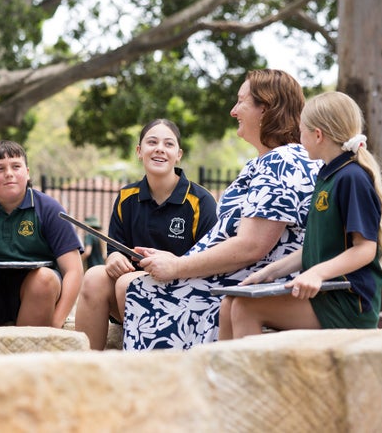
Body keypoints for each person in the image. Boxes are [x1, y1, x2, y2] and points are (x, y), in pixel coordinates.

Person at [123, 69, 321, 350]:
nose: (233, 111)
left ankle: (162, 388)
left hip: (250, 283)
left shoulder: (282, 162)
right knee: (117, 282)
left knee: (130, 289)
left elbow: (253, 246)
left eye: (241, 102)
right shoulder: (269, 160)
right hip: (232, 277)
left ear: (265, 109)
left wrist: (178, 266)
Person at [218, 92, 382, 339]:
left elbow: (365, 249)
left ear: (318, 135)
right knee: (229, 304)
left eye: (301, 132)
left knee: (245, 308)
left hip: (348, 302)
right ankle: (222, 378)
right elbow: (314, 248)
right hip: (325, 294)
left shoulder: (351, 177)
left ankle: (255, 378)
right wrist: (269, 273)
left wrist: (317, 273)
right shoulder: (327, 176)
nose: (299, 140)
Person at [75, 119, 218, 350]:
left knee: (128, 283)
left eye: (168, 144)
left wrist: (175, 263)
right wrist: (114, 259)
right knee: (94, 276)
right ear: (139, 151)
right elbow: (114, 250)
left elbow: (212, 261)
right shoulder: (126, 197)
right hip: (130, 288)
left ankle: (141, 363)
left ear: (178, 154)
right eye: (152, 142)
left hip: (184, 291)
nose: (160, 148)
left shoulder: (201, 201)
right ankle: (85, 370)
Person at [0, 140, 84, 327]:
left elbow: (74, 270)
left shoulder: (49, 209)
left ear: (27, 173)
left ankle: (30, 347)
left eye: (16, 166)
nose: (9, 174)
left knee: (45, 278)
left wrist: (57, 322)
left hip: (37, 294)